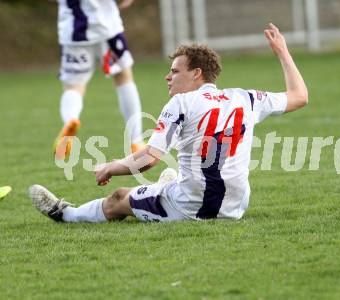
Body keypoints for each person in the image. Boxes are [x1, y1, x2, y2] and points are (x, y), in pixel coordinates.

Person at [29, 23, 308, 223]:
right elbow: (299, 96)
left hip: (191, 206)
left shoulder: (181, 103)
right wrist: (283, 52)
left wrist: (109, 167)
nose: (168, 77)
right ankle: (167, 185)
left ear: (197, 73)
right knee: (173, 179)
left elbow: (149, 159)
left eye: (174, 71)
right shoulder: (245, 98)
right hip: (235, 207)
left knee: (117, 198)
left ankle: (64, 214)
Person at [54, 0, 145, 159]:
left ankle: (71, 119)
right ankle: (136, 141)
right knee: (123, 77)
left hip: (74, 30)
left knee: (73, 87)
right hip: (107, 28)